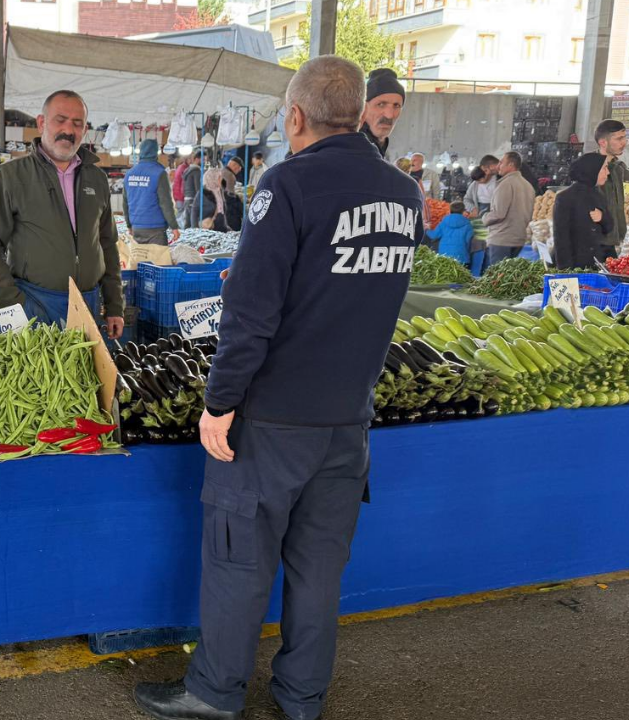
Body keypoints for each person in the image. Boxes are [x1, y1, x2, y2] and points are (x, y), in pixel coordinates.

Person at [133, 55, 422, 720]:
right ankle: (301, 700)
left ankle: (214, 692)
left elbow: (252, 317)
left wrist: (219, 403)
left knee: (239, 560)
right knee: (320, 572)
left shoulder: (286, 186)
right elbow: (354, 289)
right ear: (357, 111)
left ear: (295, 115)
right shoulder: (403, 195)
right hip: (348, 422)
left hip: (275, 420)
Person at [0, 89, 124, 338]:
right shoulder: (11, 176)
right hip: (34, 302)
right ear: (41, 122)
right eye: (60, 119)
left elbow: (107, 244)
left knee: (86, 376)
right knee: (40, 376)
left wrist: (115, 304)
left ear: (84, 129)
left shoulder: (96, 178)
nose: (68, 129)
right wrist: (14, 303)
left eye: (77, 123)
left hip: (88, 303)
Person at [552, 153, 615, 270]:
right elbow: (561, 239)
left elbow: (609, 227)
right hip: (577, 267)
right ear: (592, 170)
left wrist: (602, 217)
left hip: (599, 266)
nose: (608, 172)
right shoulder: (565, 198)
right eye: (604, 168)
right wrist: (566, 272)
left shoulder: (599, 195)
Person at [481, 151, 536, 270]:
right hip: (519, 239)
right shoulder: (528, 186)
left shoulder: (505, 184)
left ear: (511, 165)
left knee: (498, 279)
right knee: (509, 278)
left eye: (501, 162)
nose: (498, 166)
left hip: (502, 239)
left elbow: (498, 214)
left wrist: (484, 218)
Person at [123, 139, 181, 245]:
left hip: (136, 228)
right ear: (155, 152)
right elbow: (165, 203)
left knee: (140, 260)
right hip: (155, 230)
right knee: (158, 261)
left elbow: (125, 203)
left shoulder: (129, 174)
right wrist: (174, 226)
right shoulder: (159, 173)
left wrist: (129, 225)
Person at [360, 68, 404, 159]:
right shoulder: (354, 148)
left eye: (396, 106)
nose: (389, 115)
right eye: (381, 104)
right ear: (363, 108)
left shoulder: (379, 144)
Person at [595, 119, 627, 245]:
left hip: (617, 239)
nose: (624, 143)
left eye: (624, 137)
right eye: (619, 139)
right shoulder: (589, 167)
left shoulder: (619, 167)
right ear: (603, 142)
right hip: (597, 241)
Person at [425, 201, 473, 266]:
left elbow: (433, 236)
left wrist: (427, 229)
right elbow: (469, 241)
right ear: (462, 211)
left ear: (450, 211)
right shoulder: (468, 225)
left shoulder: (444, 222)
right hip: (461, 257)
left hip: (444, 256)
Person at [182, 151, 203, 229]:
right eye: (203, 159)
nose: (204, 162)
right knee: (194, 225)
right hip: (193, 199)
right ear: (197, 159)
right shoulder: (197, 171)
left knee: (187, 224)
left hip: (187, 198)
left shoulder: (187, 170)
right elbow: (198, 188)